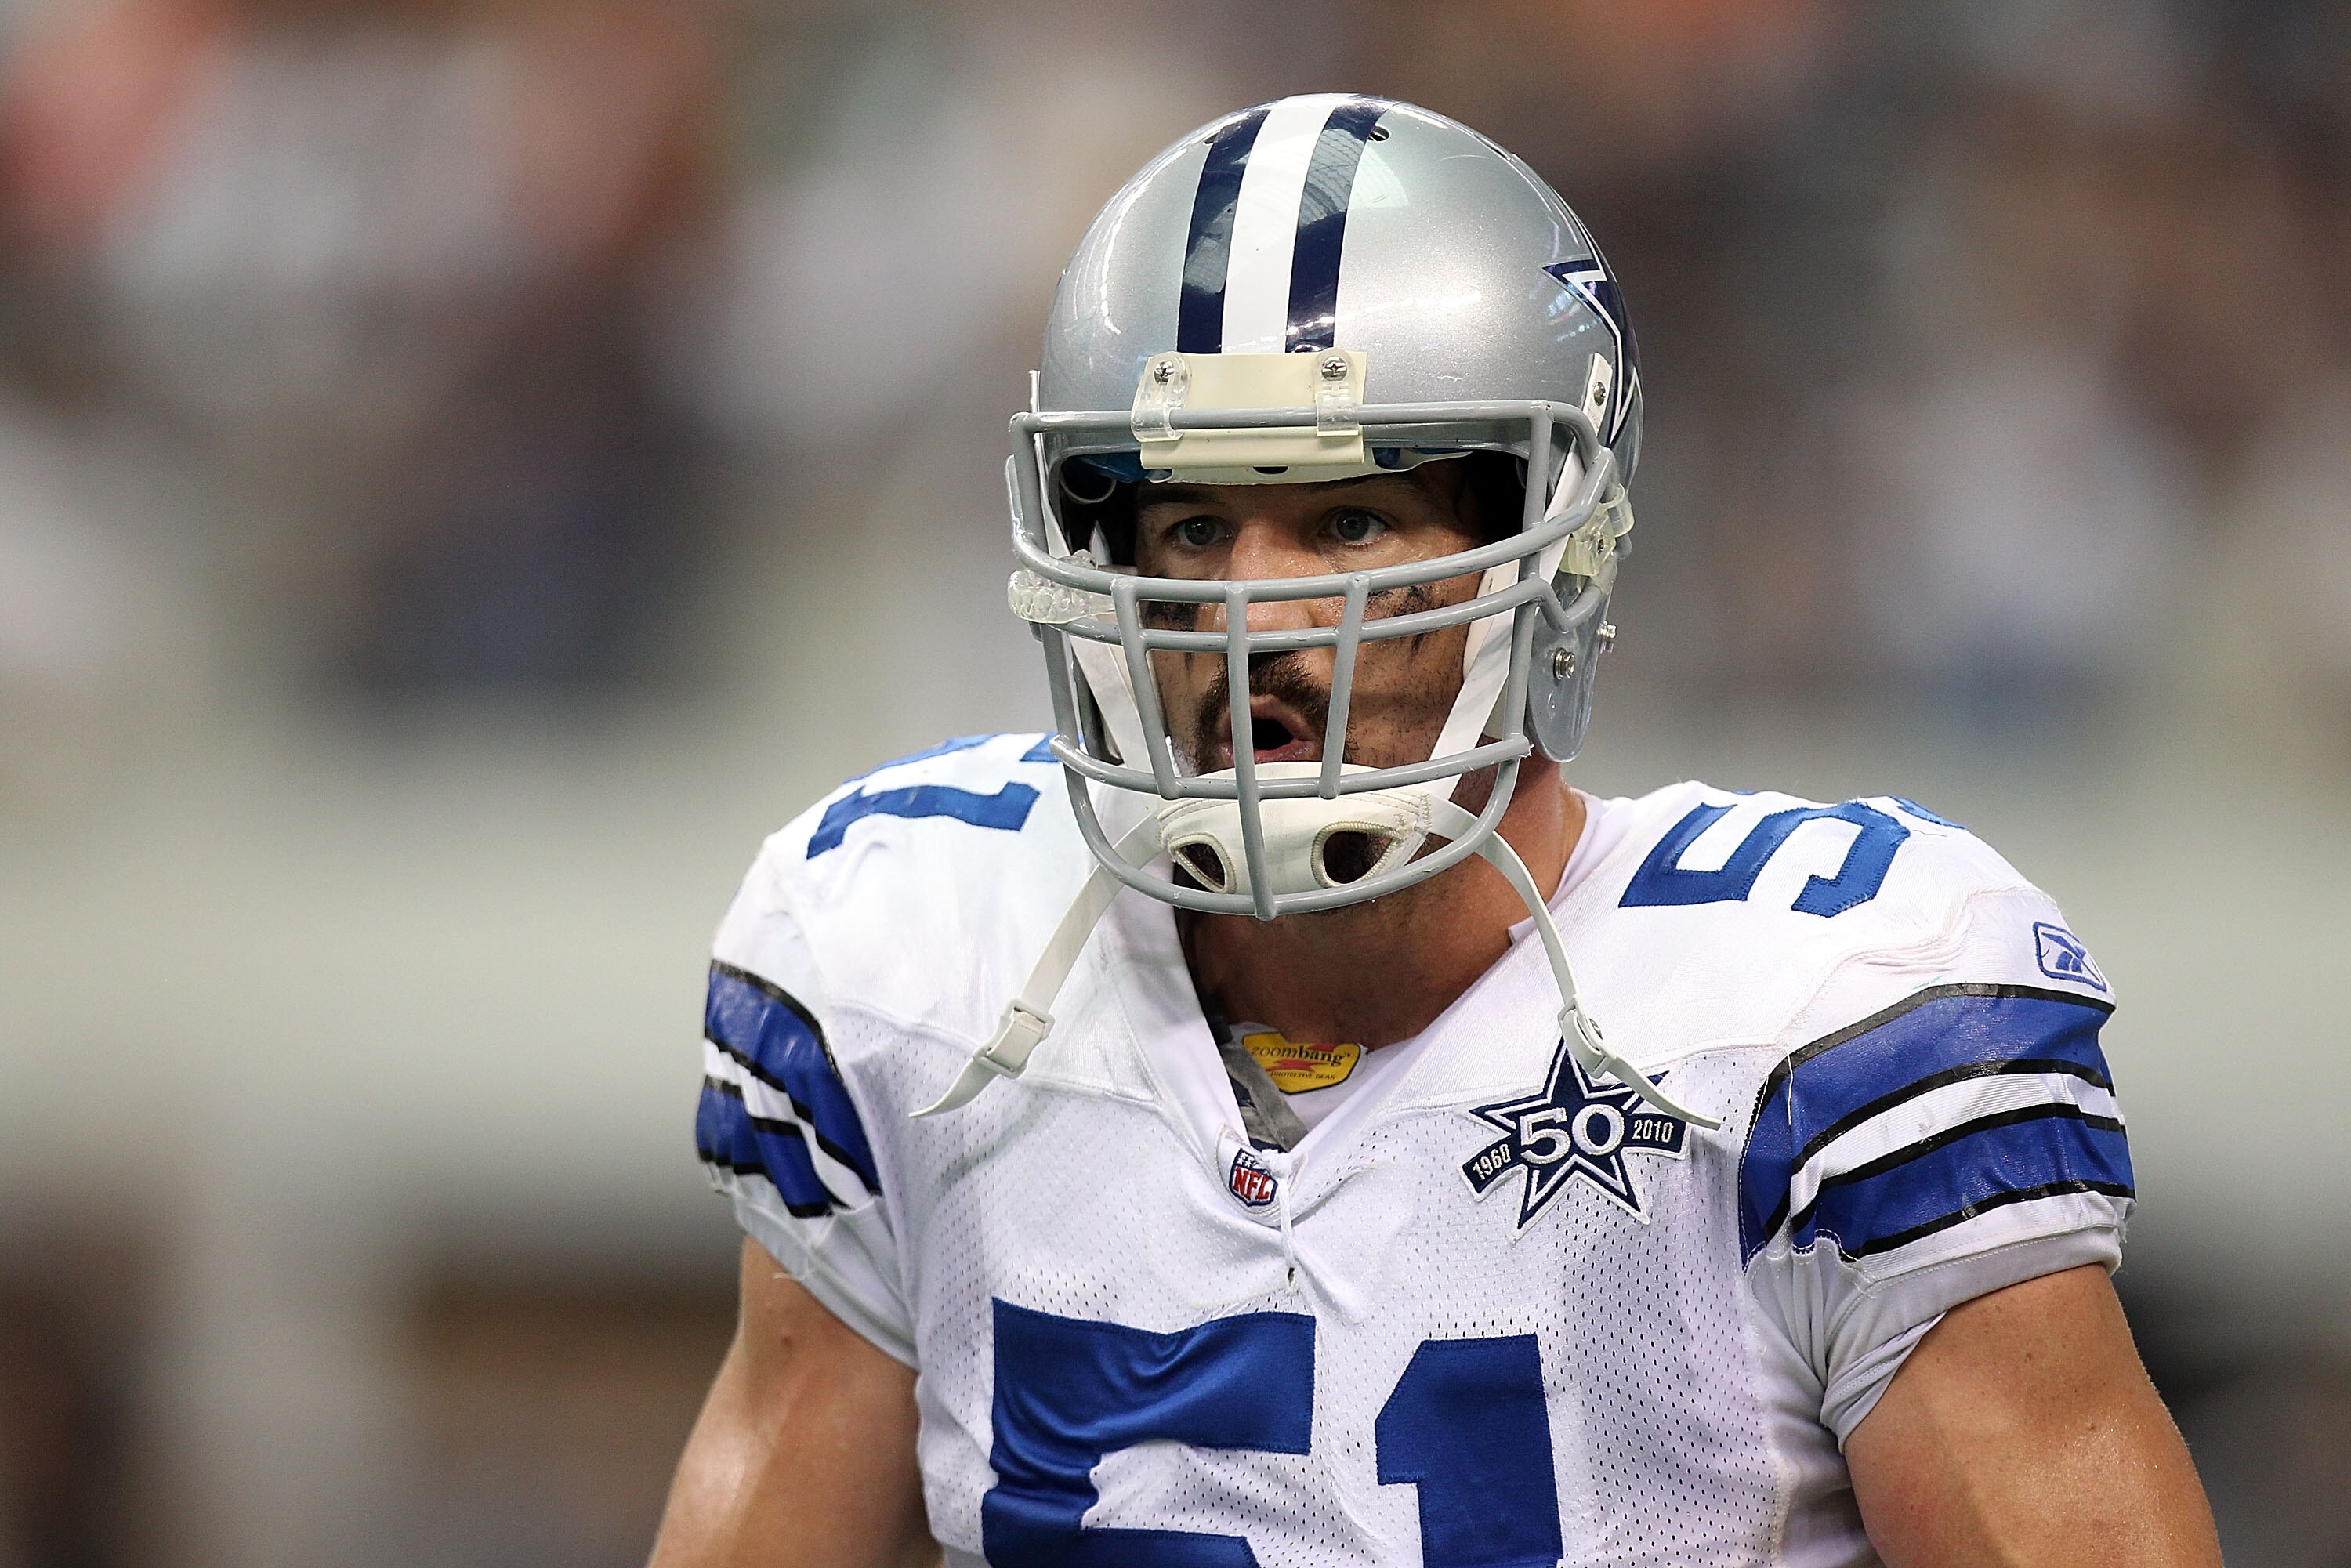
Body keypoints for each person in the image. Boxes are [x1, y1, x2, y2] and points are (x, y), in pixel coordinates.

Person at [651, 96, 2221, 1567]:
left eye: (1349, 520)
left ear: (1553, 556)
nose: (1253, 609)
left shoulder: (1834, 1015)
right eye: (1193, 526)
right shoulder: (911, 953)